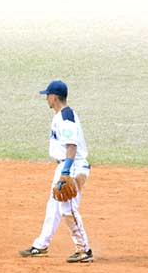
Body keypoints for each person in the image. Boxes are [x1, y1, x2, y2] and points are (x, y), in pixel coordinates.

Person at [19, 80, 93, 263]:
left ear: (53, 97)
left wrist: (66, 172)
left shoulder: (66, 118)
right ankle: (41, 245)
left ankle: (84, 250)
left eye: (47, 95)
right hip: (65, 165)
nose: (46, 99)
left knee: (68, 208)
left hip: (72, 166)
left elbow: (72, 146)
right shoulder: (59, 116)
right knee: (53, 205)